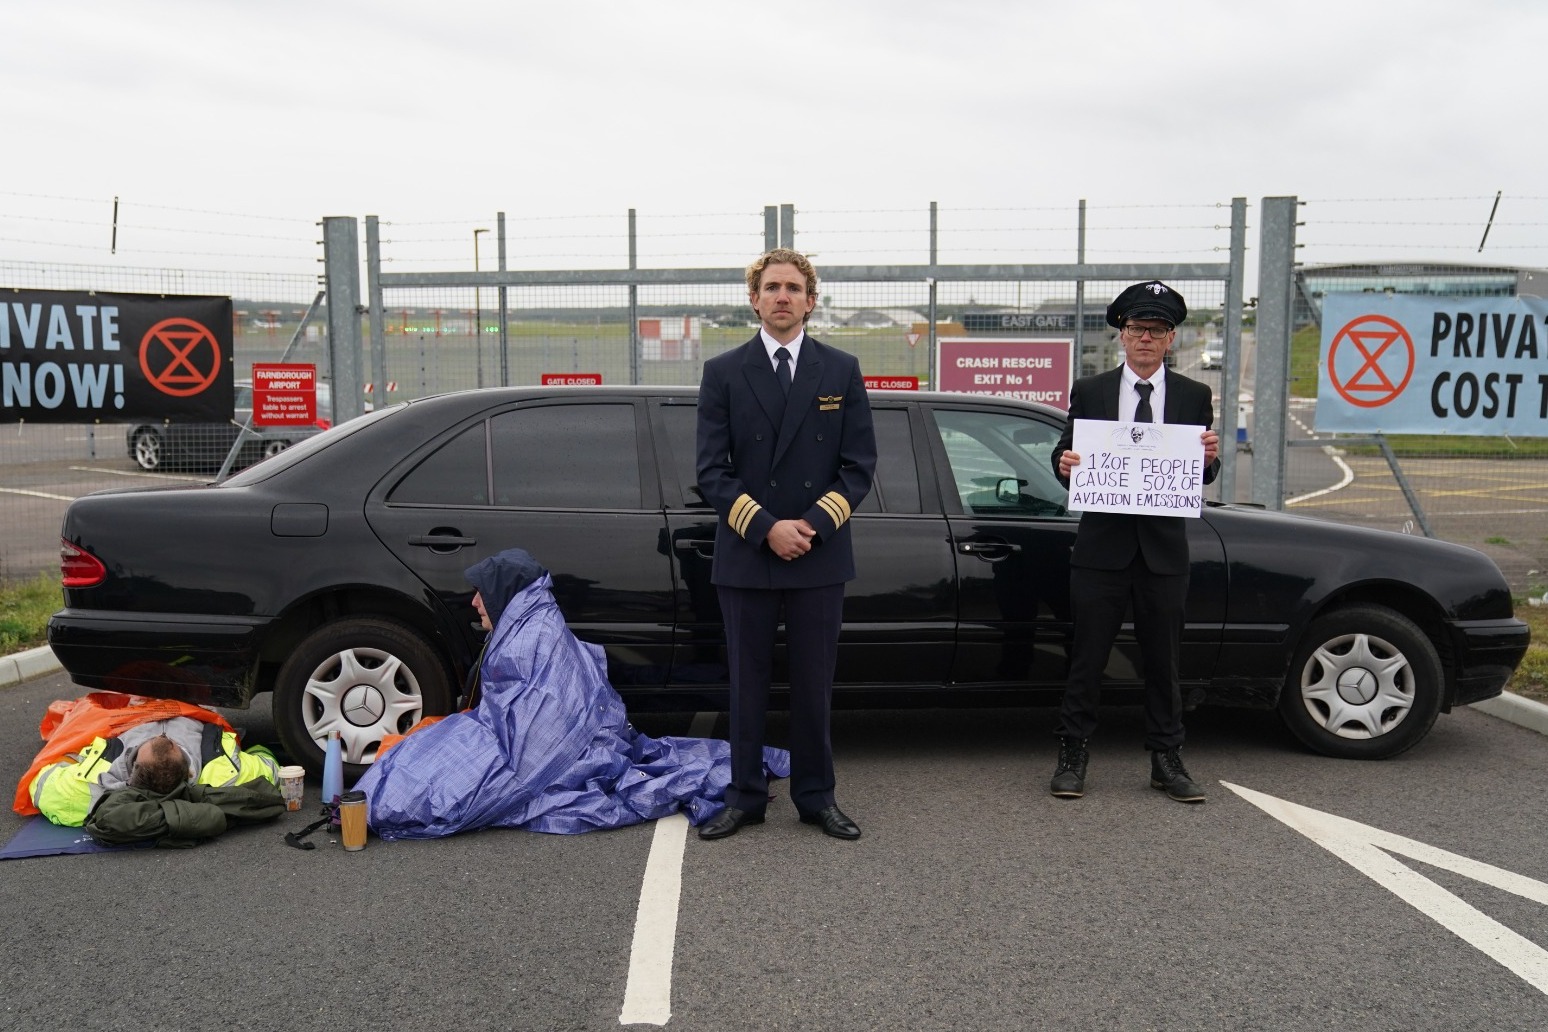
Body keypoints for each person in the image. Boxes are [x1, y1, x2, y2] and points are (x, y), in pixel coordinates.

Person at [354, 548, 789, 839]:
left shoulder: (529, 639)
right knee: (427, 748)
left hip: (565, 751)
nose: (474, 603)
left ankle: (386, 799)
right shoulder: (527, 627)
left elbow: (531, 739)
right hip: (550, 736)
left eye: (481, 593)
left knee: (433, 774)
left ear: (505, 594)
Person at [694, 248, 877, 841]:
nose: (782, 297)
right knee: (745, 688)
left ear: (810, 300)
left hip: (817, 556)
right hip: (748, 552)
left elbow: (858, 468)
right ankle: (745, 796)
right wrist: (766, 525)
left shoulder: (842, 369)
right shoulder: (723, 371)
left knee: (813, 685)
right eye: (771, 287)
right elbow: (711, 472)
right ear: (754, 299)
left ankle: (816, 797)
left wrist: (812, 528)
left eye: (793, 288)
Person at [1049, 280, 1221, 803]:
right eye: (1135, 329)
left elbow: (1201, 472)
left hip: (1164, 553)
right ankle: (1073, 752)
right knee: (1087, 656)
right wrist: (1065, 464)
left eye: (1156, 330)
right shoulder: (1092, 390)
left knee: (1164, 661)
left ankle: (1166, 759)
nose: (1144, 338)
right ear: (1121, 335)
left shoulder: (1194, 396)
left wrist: (1211, 459)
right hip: (1102, 549)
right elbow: (1065, 455)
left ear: (1171, 339)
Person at [27, 714, 280, 827]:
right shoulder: (225, 774)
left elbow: (42, 782)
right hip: (189, 701)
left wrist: (73, 759)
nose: (162, 735)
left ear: (131, 765)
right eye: (170, 745)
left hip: (132, 708)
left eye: (149, 746)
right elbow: (268, 766)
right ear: (191, 774)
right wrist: (257, 747)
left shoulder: (90, 788)